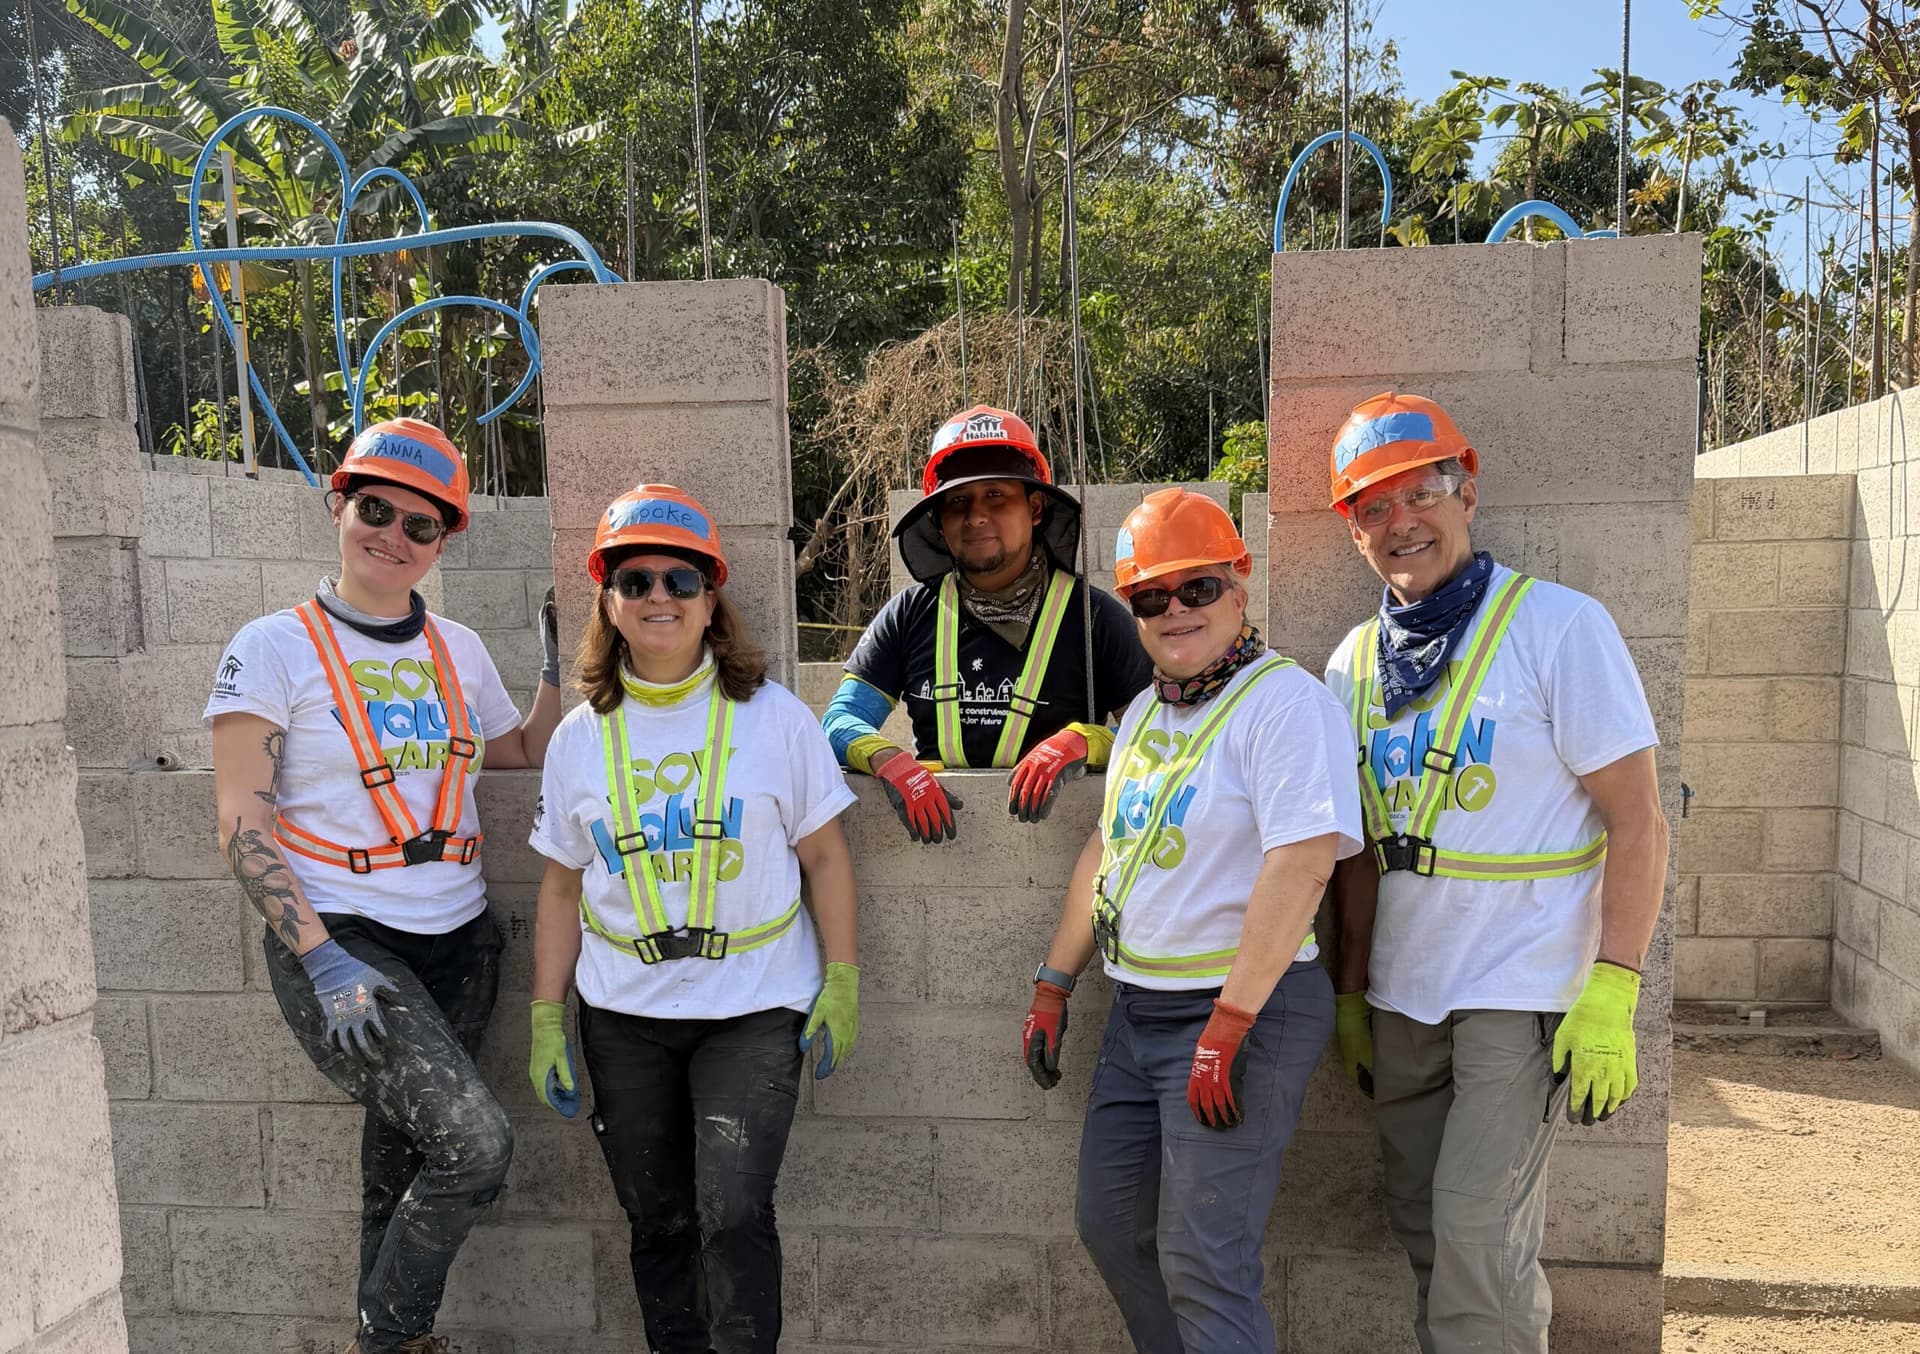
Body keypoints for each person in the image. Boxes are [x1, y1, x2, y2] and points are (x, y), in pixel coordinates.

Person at [1320, 392, 1670, 1354]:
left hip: (1518, 992)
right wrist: (1351, 994)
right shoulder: (1352, 665)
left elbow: (1639, 820)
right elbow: (1356, 853)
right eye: (1372, 508)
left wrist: (1614, 990)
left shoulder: (1556, 627)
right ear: (1353, 531)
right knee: (1425, 1231)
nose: (1401, 523)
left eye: (1419, 493)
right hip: (1403, 993)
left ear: (1465, 491)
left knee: (1479, 1239)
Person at [206, 418, 562, 1354]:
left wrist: (568, 670)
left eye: (421, 525)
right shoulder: (273, 647)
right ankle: (393, 1340)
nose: (393, 537)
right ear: (339, 503)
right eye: (375, 510)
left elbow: (517, 751)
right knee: (476, 1145)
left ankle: (389, 1339)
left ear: (445, 540)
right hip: (345, 940)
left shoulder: (458, 647)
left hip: (461, 937)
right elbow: (242, 817)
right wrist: (321, 960)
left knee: (400, 1162)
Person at [1020, 487, 1363, 1353]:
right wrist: (1054, 983)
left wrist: (1231, 1022)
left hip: (1242, 1011)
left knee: (1206, 1260)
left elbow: (1303, 863)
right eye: (1151, 597)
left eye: (1198, 589)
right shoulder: (1145, 712)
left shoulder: (1285, 706)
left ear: (1240, 585)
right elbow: (1107, 853)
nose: (1176, 612)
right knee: (1112, 1226)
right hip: (1139, 1015)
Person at [526, 484, 860, 1354]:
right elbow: (561, 887)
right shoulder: (578, 738)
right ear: (608, 598)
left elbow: (825, 858)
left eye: (682, 578)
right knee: (657, 1221)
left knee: (735, 1214)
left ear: (713, 597)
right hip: (622, 1016)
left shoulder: (776, 720)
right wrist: (543, 1018)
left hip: (753, 1007)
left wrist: (844, 980)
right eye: (636, 580)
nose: (660, 596)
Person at [822, 405, 1152, 842]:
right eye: (958, 501)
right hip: (934, 862)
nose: (976, 516)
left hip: (1062, 862)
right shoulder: (908, 614)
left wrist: (1082, 742)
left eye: (996, 495)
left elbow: (1158, 734)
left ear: (1035, 507)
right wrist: (889, 761)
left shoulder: (1094, 618)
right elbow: (838, 721)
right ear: (939, 521)